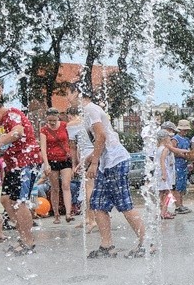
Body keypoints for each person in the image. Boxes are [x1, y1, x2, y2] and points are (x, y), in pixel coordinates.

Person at [63, 83, 147, 258]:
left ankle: (147, 243)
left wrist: (93, 164)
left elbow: (101, 136)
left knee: (124, 204)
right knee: (98, 202)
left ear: (77, 93)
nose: (66, 99)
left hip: (116, 161)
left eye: (68, 94)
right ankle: (106, 246)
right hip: (106, 163)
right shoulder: (87, 112)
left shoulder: (91, 109)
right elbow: (99, 141)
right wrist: (86, 160)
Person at [0, 96, 42, 255]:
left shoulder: (12, 114)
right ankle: (24, 235)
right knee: (5, 199)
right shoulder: (3, 122)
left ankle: (27, 241)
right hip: (13, 163)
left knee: (20, 202)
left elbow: (17, 132)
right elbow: (10, 143)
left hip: (26, 162)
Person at [39, 108, 74, 224]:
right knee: (55, 188)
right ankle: (56, 214)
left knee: (66, 185)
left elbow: (71, 142)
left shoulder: (65, 126)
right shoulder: (44, 130)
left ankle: (68, 213)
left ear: (58, 117)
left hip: (65, 159)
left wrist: (74, 162)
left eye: (54, 120)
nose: (52, 123)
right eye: (50, 121)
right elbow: (43, 148)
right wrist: (46, 164)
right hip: (52, 161)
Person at [67, 107, 97, 232]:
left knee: (88, 188)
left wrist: (74, 164)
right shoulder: (87, 120)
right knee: (84, 188)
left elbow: (73, 147)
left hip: (86, 155)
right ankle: (86, 218)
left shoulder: (71, 125)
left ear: (69, 115)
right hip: (95, 153)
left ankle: (92, 220)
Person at [171, 119, 193, 214]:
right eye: (184, 130)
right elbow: (172, 152)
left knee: (183, 186)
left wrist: (190, 161)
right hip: (177, 165)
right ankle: (178, 206)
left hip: (184, 165)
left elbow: (189, 150)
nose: (185, 132)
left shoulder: (187, 140)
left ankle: (181, 204)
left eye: (186, 130)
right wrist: (183, 155)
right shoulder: (175, 139)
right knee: (177, 186)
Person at [155, 130, 176, 219]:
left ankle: (160, 211)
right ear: (164, 138)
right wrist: (164, 174)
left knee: (161, 193)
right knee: (168, 193)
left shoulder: (157, 148)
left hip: (158, 172)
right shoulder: (165, 149)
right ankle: (164, 212)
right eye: (168, 137)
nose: (170, 138)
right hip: (164, 172)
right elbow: (162, 161)